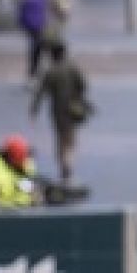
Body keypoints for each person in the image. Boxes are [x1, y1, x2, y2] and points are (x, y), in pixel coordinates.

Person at [31, 40, 93, 180]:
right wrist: (78, 97)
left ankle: (63, 163)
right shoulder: (72, 68)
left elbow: (40, 93)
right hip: (72, 108)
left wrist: (34, 111)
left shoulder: (50, 71)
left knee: (60, 139)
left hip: (57, 111)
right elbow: (83, 85)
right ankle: (68, 163)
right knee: (70, 139)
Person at [16, 0, 49, 81]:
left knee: (36, 49)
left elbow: (21, 12)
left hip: (34, 26)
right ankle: (35, 72)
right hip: (37, 26)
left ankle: (34, 72)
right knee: (38, 48)